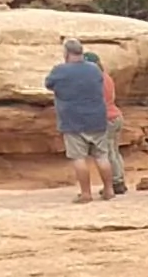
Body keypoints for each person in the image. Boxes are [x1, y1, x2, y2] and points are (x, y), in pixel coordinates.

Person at [44, 37, 111, 203]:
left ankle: (86, 193)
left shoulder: (60, 70)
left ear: (66, 53)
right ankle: (109, 190)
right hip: (96, 118)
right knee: (102, 156)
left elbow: (48, 84)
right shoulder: (94, 69)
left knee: (79, 158)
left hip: (72, 120)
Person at [96, 54, 127, 196]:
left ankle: (114, 183)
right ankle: (120, 181)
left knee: (107, 152)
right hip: (116, 116)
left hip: (106, 118)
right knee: (115, 151)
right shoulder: (107, 77)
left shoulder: (96, 80)